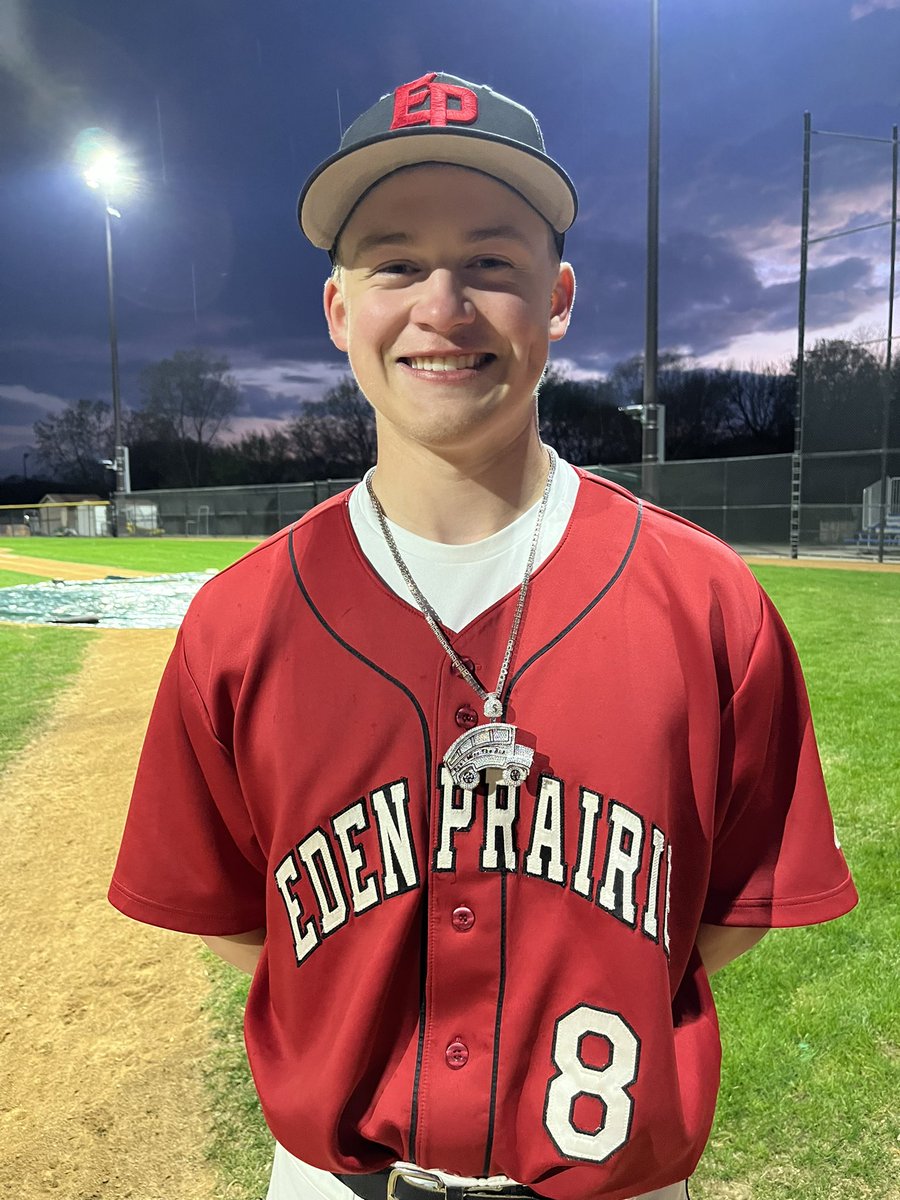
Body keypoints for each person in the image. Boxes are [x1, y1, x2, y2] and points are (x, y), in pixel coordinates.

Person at [109, 72, 858, 1200]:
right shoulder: (242, 619)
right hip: (335, 1181)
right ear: (338, 310)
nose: (443, 305)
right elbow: (232, 918)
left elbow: (732, 910)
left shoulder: (706, 600)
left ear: (557, 299)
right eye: (396, 261)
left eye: (492, 263)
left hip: (615, 1180)